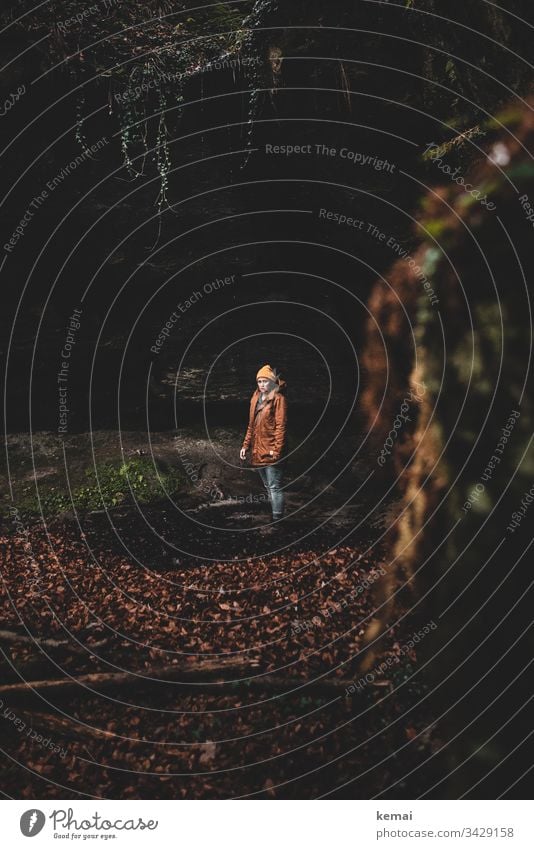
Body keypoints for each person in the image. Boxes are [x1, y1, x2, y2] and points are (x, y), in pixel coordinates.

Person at [240, 364, 287, 524]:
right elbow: (251, 425)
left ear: (272, 382)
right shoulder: (255, 398)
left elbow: (281, 427)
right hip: (258, 449)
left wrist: (277, 450)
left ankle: (277, 519)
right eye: (259, 381)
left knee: (274, 486)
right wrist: (245, 445)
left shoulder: (279, 399)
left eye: (265, 381)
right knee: (268, 486)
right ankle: (275, 515)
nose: (261, 384)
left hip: (272, 449)